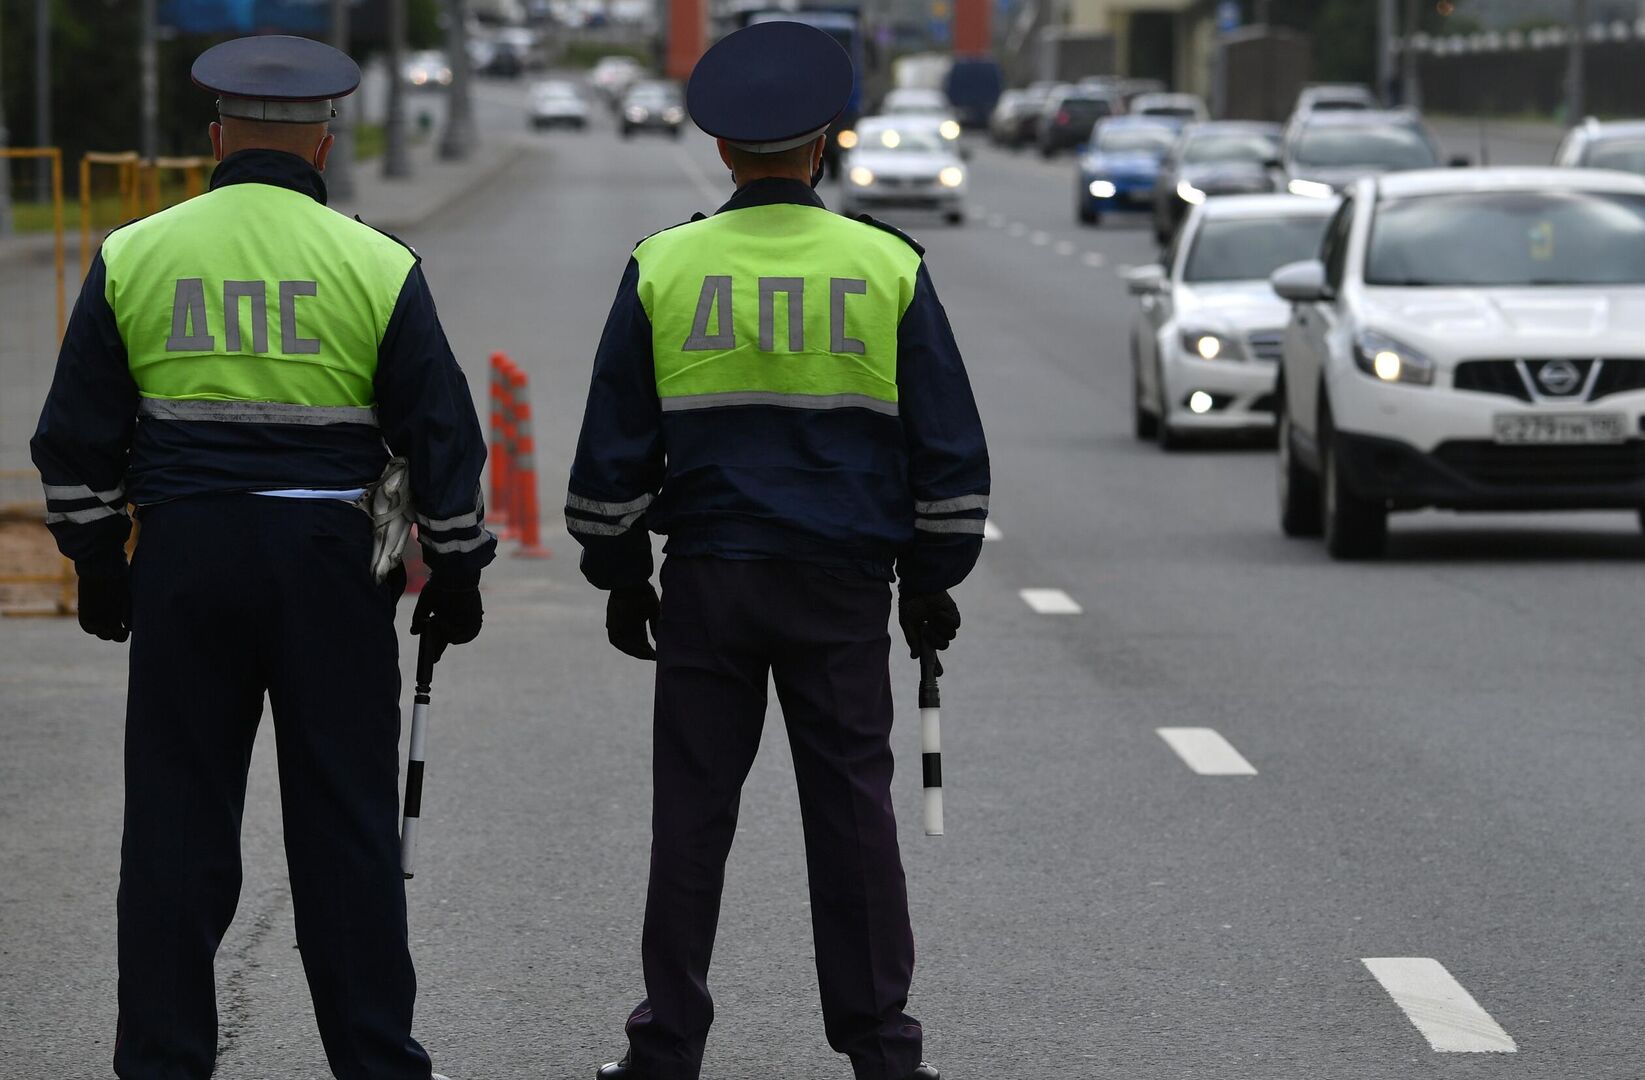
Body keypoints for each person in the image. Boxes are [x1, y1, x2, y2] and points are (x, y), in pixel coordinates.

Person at [29, 35, 491, 1080]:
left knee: (175, 829)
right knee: (346, 826)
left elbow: (75, 436)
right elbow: (440, 437)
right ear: (322, 144)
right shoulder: (376, 262)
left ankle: (162, 1059)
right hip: (330, 563)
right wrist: (455, 569)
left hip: (187, 556)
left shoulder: (137, 253)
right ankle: (376, 1059)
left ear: (214, 140)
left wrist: (100, 560)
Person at [566, 20, 990, 1080]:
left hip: (710, 579)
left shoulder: (665, 266)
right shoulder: (885, 264)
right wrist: (929, 587)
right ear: (827, 143)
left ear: (721, 151)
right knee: (852, 820)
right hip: (843, 585)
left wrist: (623, 580)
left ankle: (666, 1048)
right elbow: (946, 449)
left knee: (693, 821)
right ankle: (883, 1049)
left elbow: (611, 458)